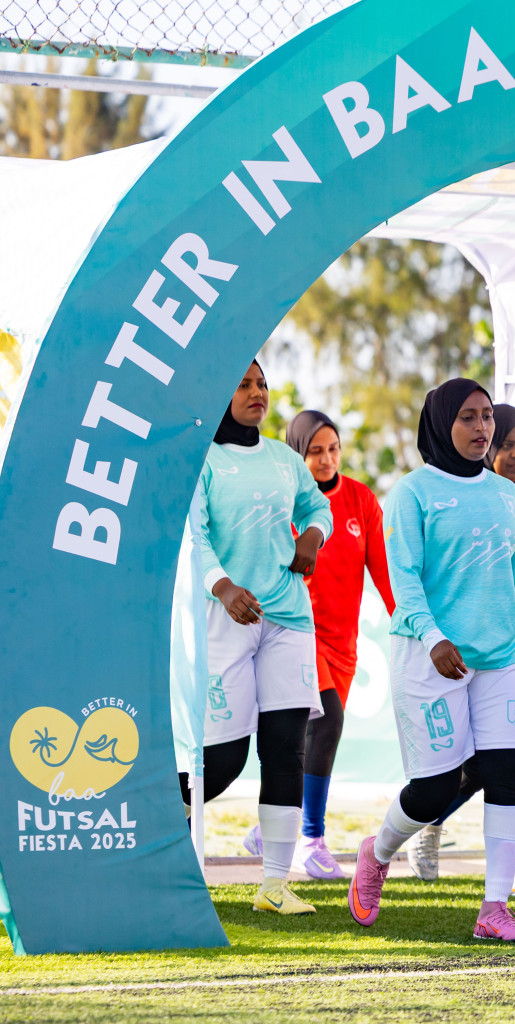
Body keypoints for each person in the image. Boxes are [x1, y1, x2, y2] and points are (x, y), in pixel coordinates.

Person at [347, 379, 515, 942]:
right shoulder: (411, 493)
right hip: (431, 654)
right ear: (440, 424)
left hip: (503, 656)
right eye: (468, 417)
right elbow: (403, 580)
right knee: (435, 788)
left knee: (508, 774)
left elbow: (513, 578)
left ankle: (494, 909)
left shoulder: (507, 494)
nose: (482, 427)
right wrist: (433, 638)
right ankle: (377, 852)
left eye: (487, 416)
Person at [409, 405, 515, 898]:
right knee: (481, 767)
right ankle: (427, 822)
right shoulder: (471, 501)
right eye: (508, 444)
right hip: (485, 657)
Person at [188, 361, 332, 914]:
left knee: (286, 751)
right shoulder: (203, 459)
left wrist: (312, 538)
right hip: (227, 618)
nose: (257, 393)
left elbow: (317, 504)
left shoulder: (283, 459)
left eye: (262, 384)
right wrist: (222, 586)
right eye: (244, 384)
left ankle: (274, 885)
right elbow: (195, 535)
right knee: (223, 757)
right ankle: (160, 825)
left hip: (289, 619)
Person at [284, 410, 396, 879]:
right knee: (327, 722)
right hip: (296, 633)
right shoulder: (284, 500)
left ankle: (274, 828)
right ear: (297, 454)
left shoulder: (361, 500)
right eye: (315, 451)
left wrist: (411, 623)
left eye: (333, 449)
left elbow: (383, 569)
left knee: (308, 738)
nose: (327, 459)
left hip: (343, 645)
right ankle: (311, 838)